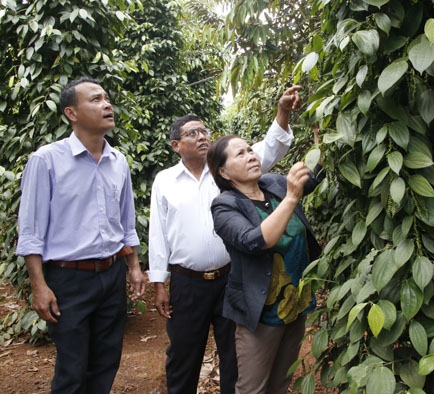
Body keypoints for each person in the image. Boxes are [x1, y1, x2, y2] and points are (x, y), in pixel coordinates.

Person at [147, 86, 303, 394]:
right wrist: (158, 282)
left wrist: (283, 112)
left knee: (235, 356)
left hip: (231, 279)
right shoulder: (165, 181)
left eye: (204, 130)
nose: (203, 136)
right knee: (183, 354)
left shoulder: (230, 173)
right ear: (177, 144)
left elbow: (269, 148)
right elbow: (158, 233)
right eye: (193, 133)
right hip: (187, 283)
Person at [15, 77, 146, 393]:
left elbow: (126, 223)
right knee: (72, 370)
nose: (107, 104)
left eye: (107, 98)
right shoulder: (46, 160)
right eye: (96, 99)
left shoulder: (119, 162)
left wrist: (133, 266)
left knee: (106, 362)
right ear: (71, 113)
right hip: (68, 280)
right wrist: (39, 286)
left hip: (111, 276)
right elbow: (31, 231)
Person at [207, 134, 322, 394]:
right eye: (240, 154)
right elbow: (255, 241)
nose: (251, 155)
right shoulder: (224, 206)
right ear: (224, 172)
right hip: (261, 313)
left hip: (295, 304)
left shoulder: (274, 183)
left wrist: (320, 141)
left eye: (250, 150)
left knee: (280, 383)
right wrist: (292, 198)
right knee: (253, 388)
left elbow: (314, 176)